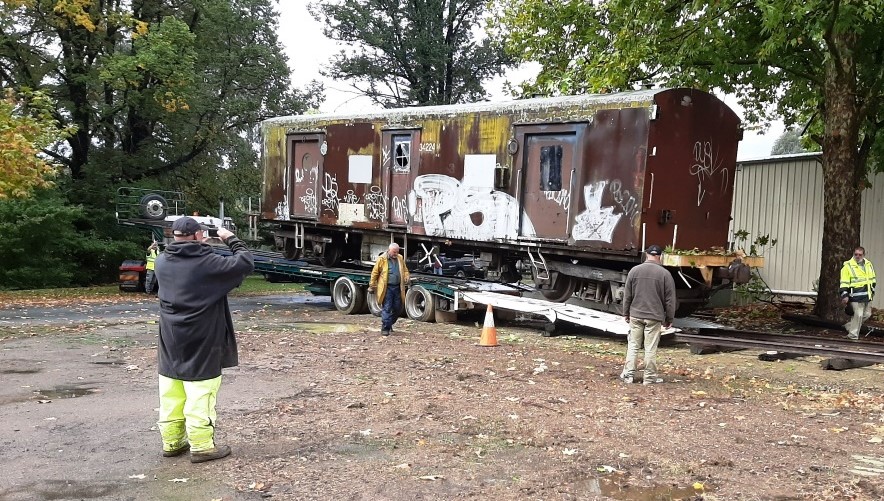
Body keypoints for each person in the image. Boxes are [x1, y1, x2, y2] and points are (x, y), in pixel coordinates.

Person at [153, 217, 254, 463]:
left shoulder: (162, 261)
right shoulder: (208, 263)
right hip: (203, 335)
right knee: (200, 390)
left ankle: (173, 441)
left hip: (170, 335)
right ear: (199, 235)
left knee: (171, 389)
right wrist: (230, 238)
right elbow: (245, 262)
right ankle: (201, 446)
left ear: (174, 236)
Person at [619, 244, 676, 385]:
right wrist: (669, 318)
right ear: (660, 256)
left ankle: (628, 375)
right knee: (650, 348)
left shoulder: (634, 271)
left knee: (633, 345)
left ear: (646, 254)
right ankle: (649, 378)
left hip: (636, 314)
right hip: (654, 316)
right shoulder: (665, 274)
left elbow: (627, 295)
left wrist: (626, 312)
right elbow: (670, 300)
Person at [368, 242, 410, 336]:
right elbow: (375, 273)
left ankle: (389, 323)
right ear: (389, 250)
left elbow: (405, 269)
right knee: (387, 307)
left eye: (397, 252)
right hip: (387, 288)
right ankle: (385, 328)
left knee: (398, 308)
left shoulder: (400, 258)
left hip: (398, 287)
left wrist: (407, 276)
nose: (396, 254)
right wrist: (372, 285)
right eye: (394, 252)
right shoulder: (382, 259)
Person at [840, 246, 876, 340]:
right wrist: (845, 295)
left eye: (860, 255)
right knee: (858, 315)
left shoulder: (868, 264)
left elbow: (872, 279)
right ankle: (853, 335)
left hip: (867, 295)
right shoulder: (847, 266)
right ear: (853, 254)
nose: (857, 256)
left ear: (864, 255)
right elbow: (844, 282)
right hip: (855, 295)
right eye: (856, 254)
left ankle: (849, 326)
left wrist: (872, 291)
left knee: (867, 314)